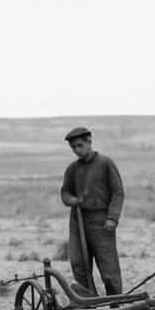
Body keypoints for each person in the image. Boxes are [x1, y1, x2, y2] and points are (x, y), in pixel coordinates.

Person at [60, 127, 125, 296]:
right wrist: (71, 200)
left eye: (80, 145)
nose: (77, 150)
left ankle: (116, 302)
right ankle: (89, 302)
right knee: (79, 263)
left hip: (102, 222)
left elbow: (118, 192)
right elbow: (65, 191)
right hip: (78, 220)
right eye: (73, 147)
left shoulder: (105, 163)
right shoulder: (73, 168)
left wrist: (112, 218)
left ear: (89, 141)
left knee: (108, 268)